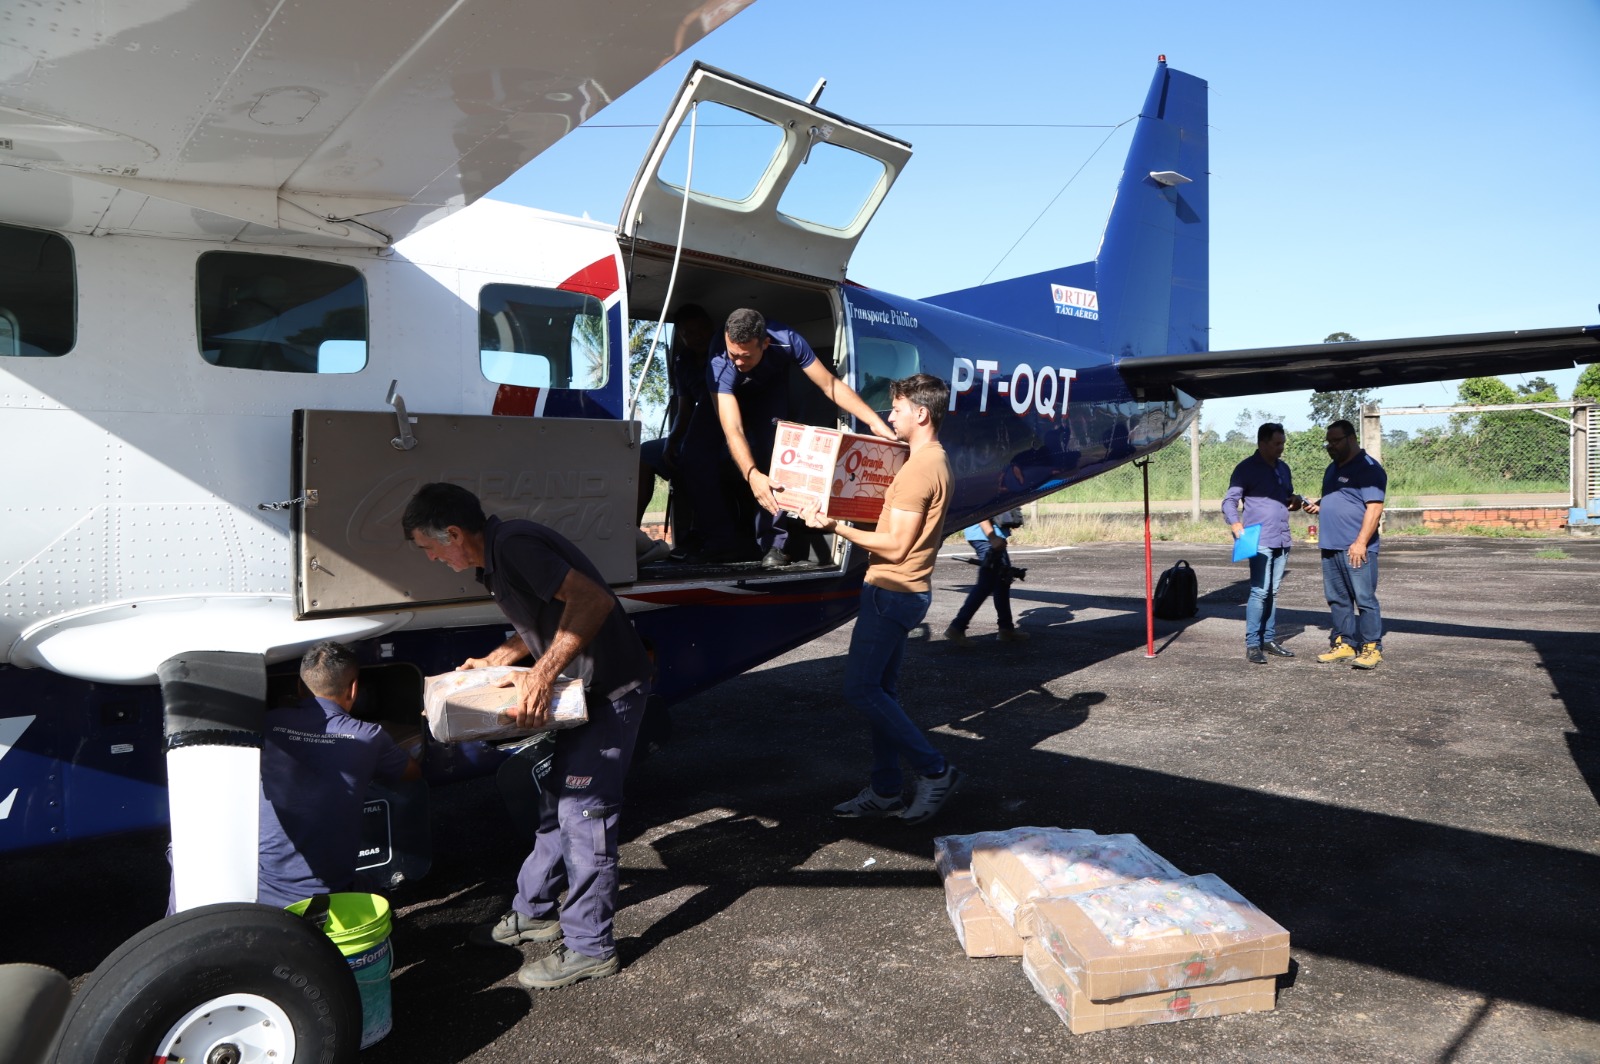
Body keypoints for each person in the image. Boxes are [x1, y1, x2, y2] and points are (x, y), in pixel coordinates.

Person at [402, 482, 652, 989]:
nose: (432, 559)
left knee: (585, 817)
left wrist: (541, 674)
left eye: (430, 549)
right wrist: (505, 656)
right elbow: (550, 610)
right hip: (584, 694)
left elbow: (591, 601)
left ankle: (591, 947)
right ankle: (535, 911)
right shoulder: (497, 557)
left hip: (608, 693)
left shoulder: (513, 545)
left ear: (452, 533)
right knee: (556, 806)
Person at [799, 373, 963, 824]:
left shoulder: (920, 469)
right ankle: (887, 790)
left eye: (896, 409)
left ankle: (935, 769)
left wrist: (834, 526)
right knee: (881, 693)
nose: (890, 418)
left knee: (861, 688)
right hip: (900, 592)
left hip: (893, 591)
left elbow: (894, 546)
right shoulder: (930, 460)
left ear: (921, 413)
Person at [683, 307, 894, 568]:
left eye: (745, 356)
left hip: (767, 392)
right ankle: (720, 540)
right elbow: (733, 428)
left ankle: (774, 544)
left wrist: (873, 421)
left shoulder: (788, 340)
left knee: (773, 457)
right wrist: (750, 475)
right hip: (722, 395)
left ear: (766, 344)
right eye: (733, 354)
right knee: (692, 455)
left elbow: (829, 384)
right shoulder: (721, 362)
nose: (738, 362)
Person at [1303, 419, 1386, 670]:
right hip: (1330, 545)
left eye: (1335, 441)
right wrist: (1319, 505)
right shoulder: (1332, 468)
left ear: (1351, 438)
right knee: (1337, 598)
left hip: (1356, 548)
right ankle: (1345, 644)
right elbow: (1339, 498)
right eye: (1328, 442)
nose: (1331, 446)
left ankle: (1371, 647)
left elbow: (1375, 509)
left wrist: (1360, 542)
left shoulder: (1369, 468)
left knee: (1364, 598)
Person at [636, 304, 714, 563]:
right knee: (645, 452)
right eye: (688, 333)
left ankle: (698, 533)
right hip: (692, 433)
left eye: (701, 329)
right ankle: (631, 534)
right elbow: (684, 409)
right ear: (681, 337)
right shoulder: (684, 363)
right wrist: (672, 440)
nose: (697, 336)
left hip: (722, 436)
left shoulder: (724, 356)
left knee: (694, 457)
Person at [1222, 422, 1304, 664]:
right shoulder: (1246, 469)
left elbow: (1288, 497)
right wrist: (1236, 525)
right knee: (1259, 591)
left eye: (1283, 443)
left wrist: (1297, 501)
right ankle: (1253, 644)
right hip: (1258, 539)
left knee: (1273, 591)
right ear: (1262, 443)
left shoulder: (1283, 468)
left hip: (1282, 537)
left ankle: (1268, 639)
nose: (1281, 448)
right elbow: (1230, 500)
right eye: (1277, 443)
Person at [944, 517, 1028, 644]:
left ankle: (1006, 628)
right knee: (985, 584)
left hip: (988, 536)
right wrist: (992, 536)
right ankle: (957, 627)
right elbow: (982, 510)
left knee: (1002, 582)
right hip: (986, 537)